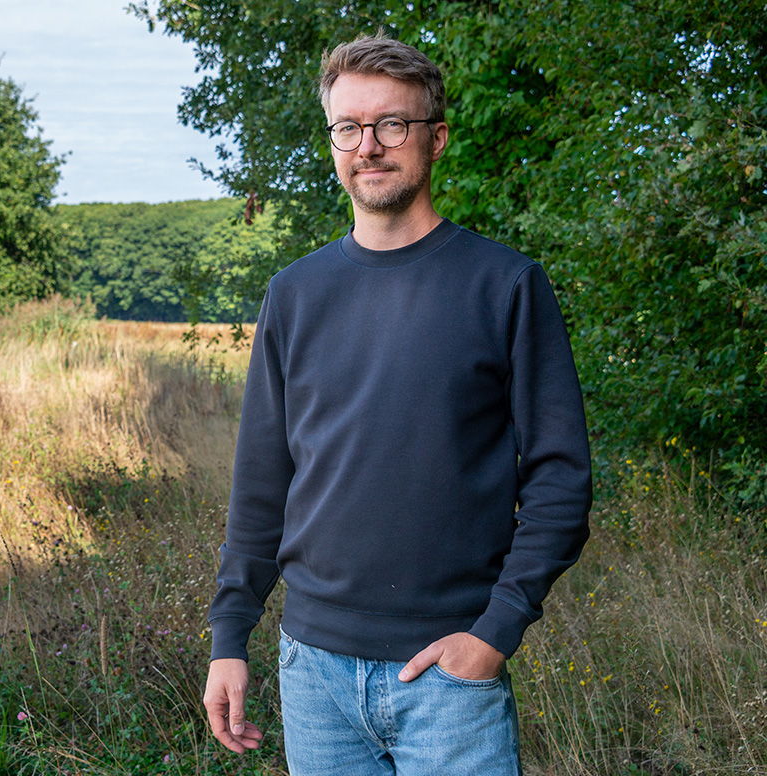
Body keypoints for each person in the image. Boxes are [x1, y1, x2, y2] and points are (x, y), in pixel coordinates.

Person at [201, 32, 592, 775]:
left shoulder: (505, 285)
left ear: (435, 139)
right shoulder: (294, 294)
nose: (369, 146)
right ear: (333, 144)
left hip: (449, 678)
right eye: (348, 128)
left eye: (392, 125)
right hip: (313, 673)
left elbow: (561, 478)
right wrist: (230, 637)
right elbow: (261, 482)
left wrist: (494, 634)